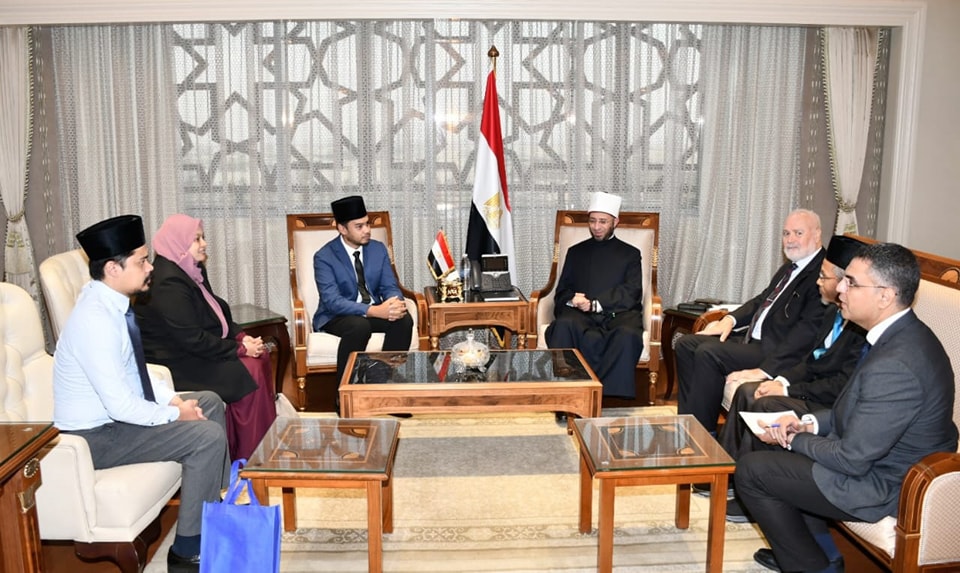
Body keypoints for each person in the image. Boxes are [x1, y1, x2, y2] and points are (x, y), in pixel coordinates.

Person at [737, 242, 958, 573]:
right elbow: (853, 410)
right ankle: (822, 553)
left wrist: (793, 438)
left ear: (885, 296)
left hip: (886, 484)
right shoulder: (898, 335)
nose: (840, 288)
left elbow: (851, 460)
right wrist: (807, 424)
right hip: (873, 461)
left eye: (851, 282)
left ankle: (811, 566)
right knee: (774, 441)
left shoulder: (896, 365)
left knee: (752, 472)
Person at [53, 215, 229, 571]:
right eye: (142, 261)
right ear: (113, 269)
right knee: (206, 436)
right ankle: (187, 552)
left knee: (209, 401)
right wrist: (176, 414)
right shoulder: (95, 320)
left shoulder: (112, 304)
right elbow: (120, 405)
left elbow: (136, 370)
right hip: (93, 438)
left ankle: (216, 511)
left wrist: (173, 400)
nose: (151, 268)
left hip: (112, 424)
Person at [716, 235, 867, 522]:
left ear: (843, 282)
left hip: (830, 402)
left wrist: (788, 390)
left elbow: (841, 384)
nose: (818, 282)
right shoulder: (832, 312)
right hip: (812, 389)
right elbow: (810, 361)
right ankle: (730, 475)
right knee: (750, 390)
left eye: (823, 277)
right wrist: (781, 381)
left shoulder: (861, 327)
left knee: (766, 403)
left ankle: (753, 494)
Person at [134, 213, 277, 461]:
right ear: (179, 243)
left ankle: (264, 445)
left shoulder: (189, 268)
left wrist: (241, 337)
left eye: (202, 238)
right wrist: (240, 350)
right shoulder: (167, 282)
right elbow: (191, 338)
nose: (204, 244)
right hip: (176, 362)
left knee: (260, 356)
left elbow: (214, 314)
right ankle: (248, 456)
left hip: (194, 352)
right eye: (197, 239)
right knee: (249, 370)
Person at [676, 209, 827, 433]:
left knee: (708, 353)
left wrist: (765, 370)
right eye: (786, 233)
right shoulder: (791, 266)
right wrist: (730, 320)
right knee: (686, 344)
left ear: (817, 235)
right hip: (752, 340)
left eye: (798, 233)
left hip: (773, 350)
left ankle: (703, 434)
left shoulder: (822, 276)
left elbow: (806, 334)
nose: (790, 240)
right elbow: (761, 300)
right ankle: (688, 423)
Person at [545, 191, 644, 399]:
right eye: (592, 221)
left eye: (603, 222)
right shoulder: (576, 252)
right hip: (580, 315)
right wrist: (572, 299)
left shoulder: (631, 254)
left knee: (627, 334)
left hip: (617, 313)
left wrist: (596, 304)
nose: (596, 227)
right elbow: (562, 290)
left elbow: (632, 291)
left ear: (615, 222)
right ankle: (568, 392)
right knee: (563, 325)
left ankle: (606, 396)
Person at [313, 195, 413, 382]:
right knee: (359, 326)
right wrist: (373, 311)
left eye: (367, 224)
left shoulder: (378, 249)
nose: (367, 230)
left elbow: (389, 285)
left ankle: (382, 383)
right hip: (337, 316)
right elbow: (332, 301)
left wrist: (394, 303)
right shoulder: (324, 257)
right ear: (342, 229)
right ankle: (344, 390)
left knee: (404, 320)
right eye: (359, 226)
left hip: (373, 311)